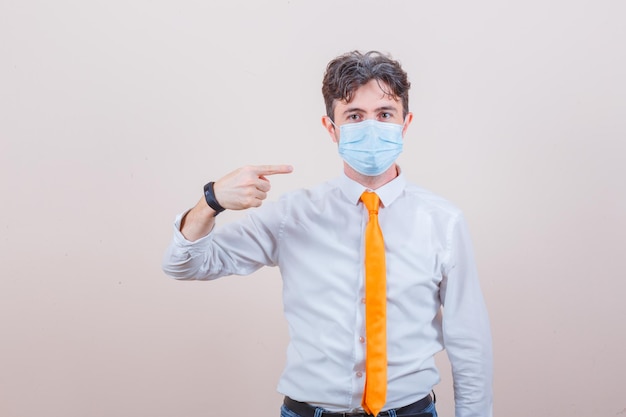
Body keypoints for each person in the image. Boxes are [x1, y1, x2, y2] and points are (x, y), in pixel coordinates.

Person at [162, 50, 493, 417]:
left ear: (405, 123)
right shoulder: (294, 215)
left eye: (384, 114)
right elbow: (184, 265)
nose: (371, 126)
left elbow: (469, 338)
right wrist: (211, 202)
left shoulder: (443, 221)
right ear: (331, 128)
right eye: (354, 116)